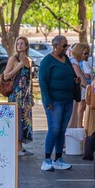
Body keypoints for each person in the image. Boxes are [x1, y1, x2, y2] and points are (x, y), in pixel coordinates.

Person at [38, 35, 76, 171]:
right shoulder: (47, 61)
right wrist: (47, 100)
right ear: (56, 46)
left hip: (67, 100)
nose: (66, 48)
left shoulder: (66, 59)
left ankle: (58, 158)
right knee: (54, 129)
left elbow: (72, 74)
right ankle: (47, 159)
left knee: (61, 130)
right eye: (64, 46)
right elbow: (43, 82)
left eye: (67, 45)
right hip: (54, 101)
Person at [3, 36, 34, 156]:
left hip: (25, 95)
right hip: (15, 94)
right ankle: (17, 147)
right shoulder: (13, 59)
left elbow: (30, 80)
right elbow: (6, 76)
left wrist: (31, 96)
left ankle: (20, 146)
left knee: (25, 121)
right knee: (17, 120)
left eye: (22, 43)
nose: (19, 46)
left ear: (26, 46)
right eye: (18, 44)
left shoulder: (29, 60)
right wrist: (19, 66)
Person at [70, 43, 91, 128]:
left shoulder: (75, 61)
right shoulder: (74, 61)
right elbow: (80, 77)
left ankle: (77, 127)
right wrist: (89, 88)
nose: (86, 56)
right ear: (79, 52)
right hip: (72, 91)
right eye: (85, 53)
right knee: (73, 112)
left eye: (88, 53)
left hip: (74, 90)